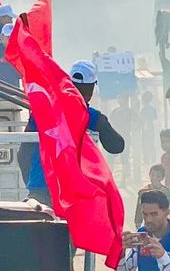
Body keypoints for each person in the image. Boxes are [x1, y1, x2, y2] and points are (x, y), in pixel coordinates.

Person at [19, 59, 125, 205]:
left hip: (40, 189)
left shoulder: (42, 109)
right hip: (71, 193)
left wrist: (33, 182)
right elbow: (117, 146)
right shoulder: (90, 115)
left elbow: (23, 152)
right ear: (92, 88)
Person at [109, 94, 133, 184]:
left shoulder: (130, 112)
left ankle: (123, 180)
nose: (120, 100)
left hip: (125, 137)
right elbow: (110, 123)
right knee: (111, 158)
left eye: (122, 98)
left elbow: (138, 122)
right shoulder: (115, 111)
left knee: (124, 159)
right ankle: (109, 178)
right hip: (115, 136)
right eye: (119, 98)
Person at [141, 91, 159, 164]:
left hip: (146, 127)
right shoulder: (152, 108)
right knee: (151, 144)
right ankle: (153, 159)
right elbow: (155, 117)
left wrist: (144, 127)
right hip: (151, 127)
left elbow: (143, 119)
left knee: (145, 144)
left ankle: (146, 160)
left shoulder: (144, 108)